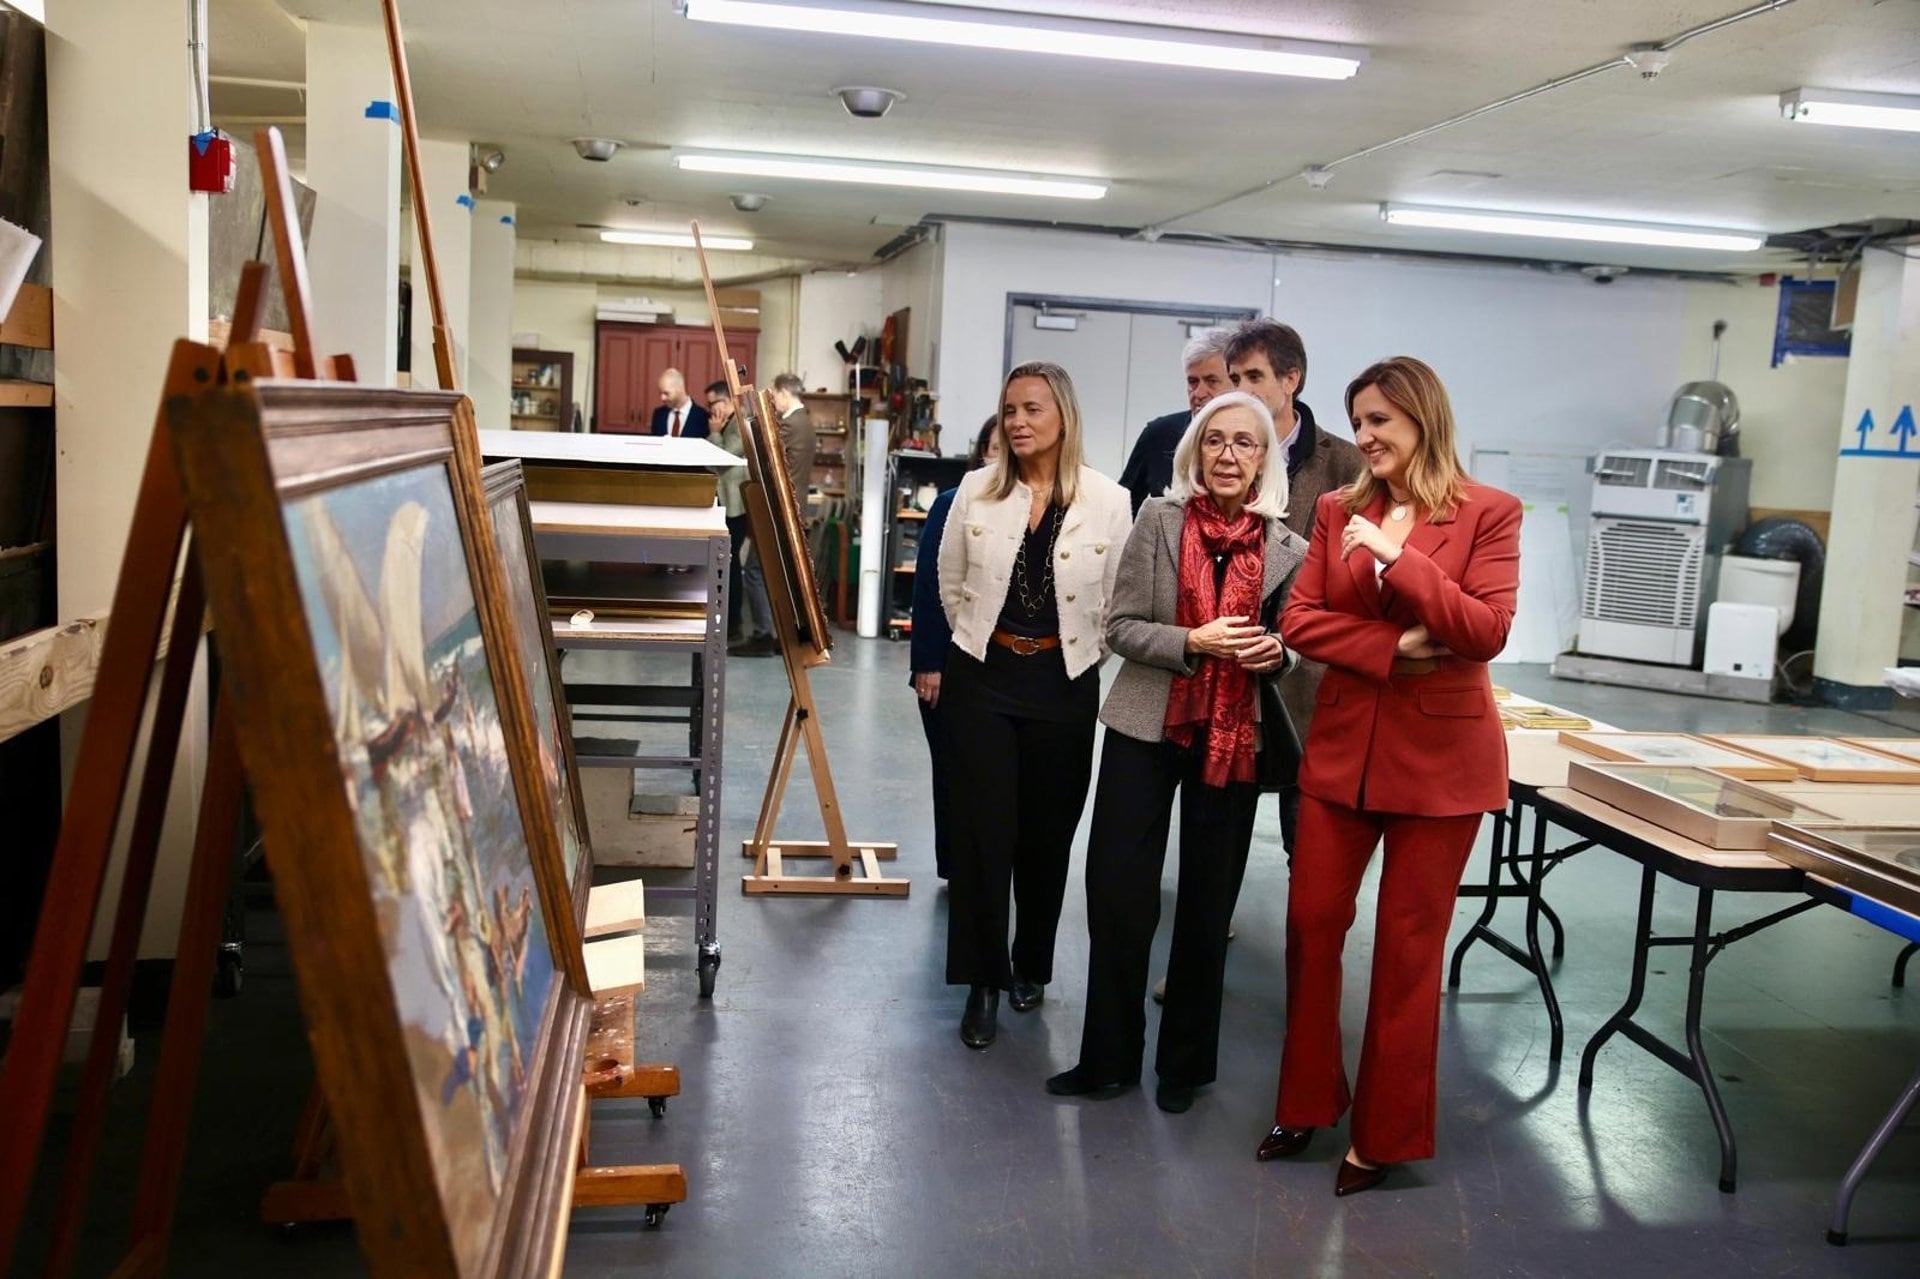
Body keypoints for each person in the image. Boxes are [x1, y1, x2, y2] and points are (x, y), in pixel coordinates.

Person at [1257, 356, 1521, 1197]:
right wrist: (1392, 645)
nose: (1363, 437)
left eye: (1379, 422)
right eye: (1359, 421)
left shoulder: (1489, 513)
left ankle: (1384, 1135)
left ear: (1422, 420)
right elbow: (1299, 618)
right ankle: (1305, 1099)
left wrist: (1401, 562)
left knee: (1409, 952)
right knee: (1311, 923)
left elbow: (1484, 629)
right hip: (1341, 754)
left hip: (1444, 768)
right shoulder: (1338, 509)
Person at [1046, 391, 1306, 1114]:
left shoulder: (1291, 547)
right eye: (1215, 441)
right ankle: (1108, 1058)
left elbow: (1300, 648)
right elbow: (1119, 625)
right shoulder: (1158, 521)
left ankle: (1184, 1067)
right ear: (1195, 451)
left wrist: (1275, 652)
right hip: (1147, 721)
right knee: (1117, 889)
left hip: (1235, 734)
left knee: (1206, 899)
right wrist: (1193, 642)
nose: (1228, 455)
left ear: (1264, 459)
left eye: (1245, 444)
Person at [938, 361, 1133, 1050]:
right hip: (983, 679)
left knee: (1047, 837)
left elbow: (1115, 598)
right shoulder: (976, 491)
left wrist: (1067, 651)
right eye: (1010, 409)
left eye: (1032, 409)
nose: (1018, 421)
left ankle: (1032, 964)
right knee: (983, 834)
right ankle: (984, 981)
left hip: (1064, 681)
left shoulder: (1110, 501)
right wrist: (982, 640)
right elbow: (951, 579)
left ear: (1064, 417)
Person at [909, 417, 1002, 880]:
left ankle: (984, 863)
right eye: (993, 447)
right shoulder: (951, 504)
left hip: (996, 668)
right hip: (946, 664)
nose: (1002, 457)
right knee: (952, 770)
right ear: (980, 454)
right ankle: (956, 864)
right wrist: (928, 664)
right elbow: (928, 588)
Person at [730, 373, 815, 657]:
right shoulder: (804, 421)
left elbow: (766, 456)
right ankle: (782, 635)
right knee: (783, 575)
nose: (774, 401)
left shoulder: (791, 424)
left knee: (754, 571)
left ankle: (763, 635)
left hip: (780, 512)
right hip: (790, 510)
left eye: (774, 395)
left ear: (782, 393)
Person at [1118, 329, 1233, 515]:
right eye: (1193, 382)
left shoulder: (1252, 441)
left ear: (1236, 382)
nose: (1199, 393)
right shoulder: (1159, 434)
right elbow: (1123, 505)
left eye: (1212, 381)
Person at [707, 380, 770, 644]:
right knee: (728, 562)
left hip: (737, 505)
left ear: (728, 401)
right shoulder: (730, 423)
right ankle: (732, 621)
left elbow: (721, 456)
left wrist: (714, 432)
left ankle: (734, 623)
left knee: (730, 563)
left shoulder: (738, 424)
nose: (711, 409)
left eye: (714, 403)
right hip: (729, 502)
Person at [650, 368, 711, 438]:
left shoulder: (703, 417)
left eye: (666, 393)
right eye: (660, 393)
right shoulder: (658, 414)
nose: (662, 398)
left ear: (680, 389)